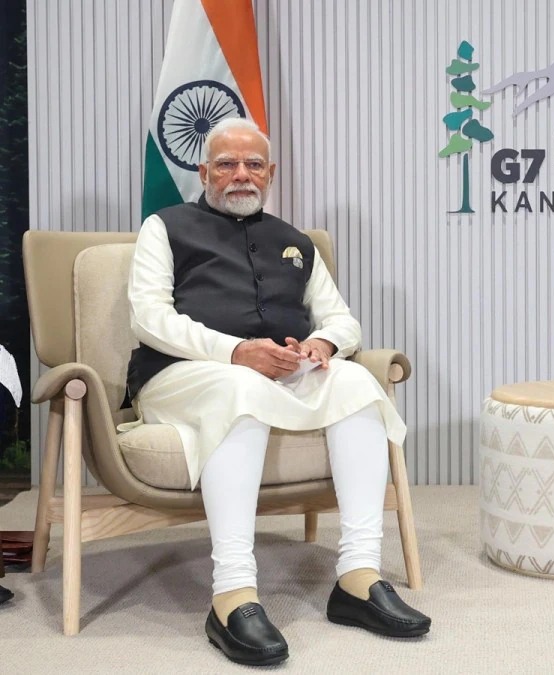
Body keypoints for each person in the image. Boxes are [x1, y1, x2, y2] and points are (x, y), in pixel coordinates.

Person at [126, 117, 430, 666]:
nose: (241, 175)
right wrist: (235, 351)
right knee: (239, 386)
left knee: (356, 381)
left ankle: (358, 577)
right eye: (226, 164)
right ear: (204, 172)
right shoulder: (164, 226)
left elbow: (342, 320)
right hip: (183, 375)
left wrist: (322, 345)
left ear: (270, 173)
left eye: (253, 165)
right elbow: (149, 318)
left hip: (278, 374)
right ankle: (232, 595)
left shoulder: (295, 242)